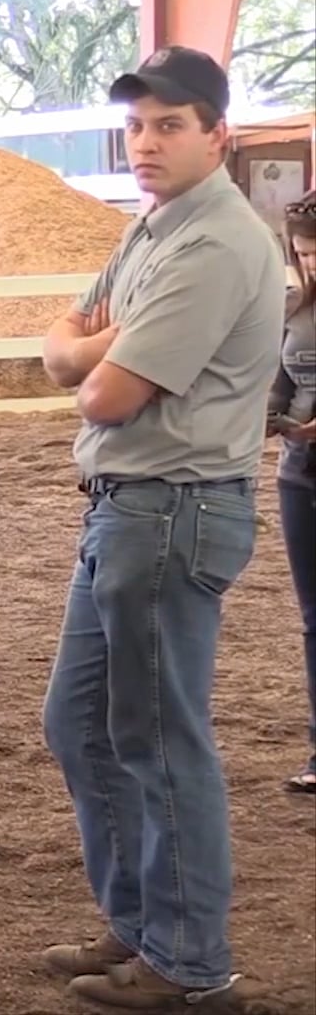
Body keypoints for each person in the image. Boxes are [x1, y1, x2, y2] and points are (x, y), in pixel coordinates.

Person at [37, 47, 284, 1010]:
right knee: (85, 722)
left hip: (170, 507)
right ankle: (143, 926)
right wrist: (88, 345)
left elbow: (100, 387)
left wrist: (87, 348)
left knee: (157, 736)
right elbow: (64, 342)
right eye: (137, 125)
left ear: (218, 133)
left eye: (170, 123)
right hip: (133, 511)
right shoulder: (154, 228)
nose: (146, 142)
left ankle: (189, 963)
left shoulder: (215, 242)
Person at [276, 192, 316, 794]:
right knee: (314, 620)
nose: (312, 263)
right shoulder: (295, 309)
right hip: (299, 471)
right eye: (305, 253)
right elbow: (278, 381)